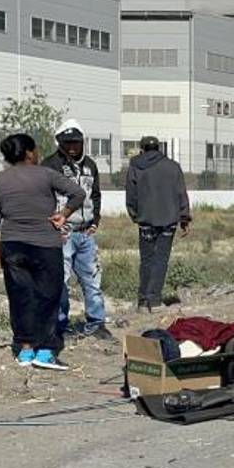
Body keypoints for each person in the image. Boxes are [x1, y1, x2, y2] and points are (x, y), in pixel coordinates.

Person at [0, 133, 85, 370]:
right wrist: (65, 214)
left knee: (20, 297)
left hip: (12, 245)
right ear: (30, 152)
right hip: (44, 245)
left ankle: (25, 349)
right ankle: (45, 351)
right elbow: (78, 193)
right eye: (36, 150)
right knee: (47, 297)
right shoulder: (45, 174)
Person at [43, 119, 113, 341]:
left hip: (85, 232)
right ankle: (59, 326)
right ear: (60, 143)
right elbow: (44, 196)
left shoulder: (90, 165)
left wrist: (95, 221)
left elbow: (95, 195)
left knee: (92, 279)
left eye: (76, 142)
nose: (72, 146)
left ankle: (96, 322)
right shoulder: (50, 165)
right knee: (59, 281)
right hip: (62, 234)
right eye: (67, 142)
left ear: (83, 141)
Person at [125, 136, 191, 313]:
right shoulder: (173, 167)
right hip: (169, 220)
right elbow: (181, 193)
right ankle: (154, 301)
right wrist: (184, 218)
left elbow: (131, 194)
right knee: (161, 259)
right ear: (159, 148)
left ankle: (142, 301)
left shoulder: (135, 165)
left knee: (146, 260)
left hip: (145, 220)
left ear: (142, 149)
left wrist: (135, 215)